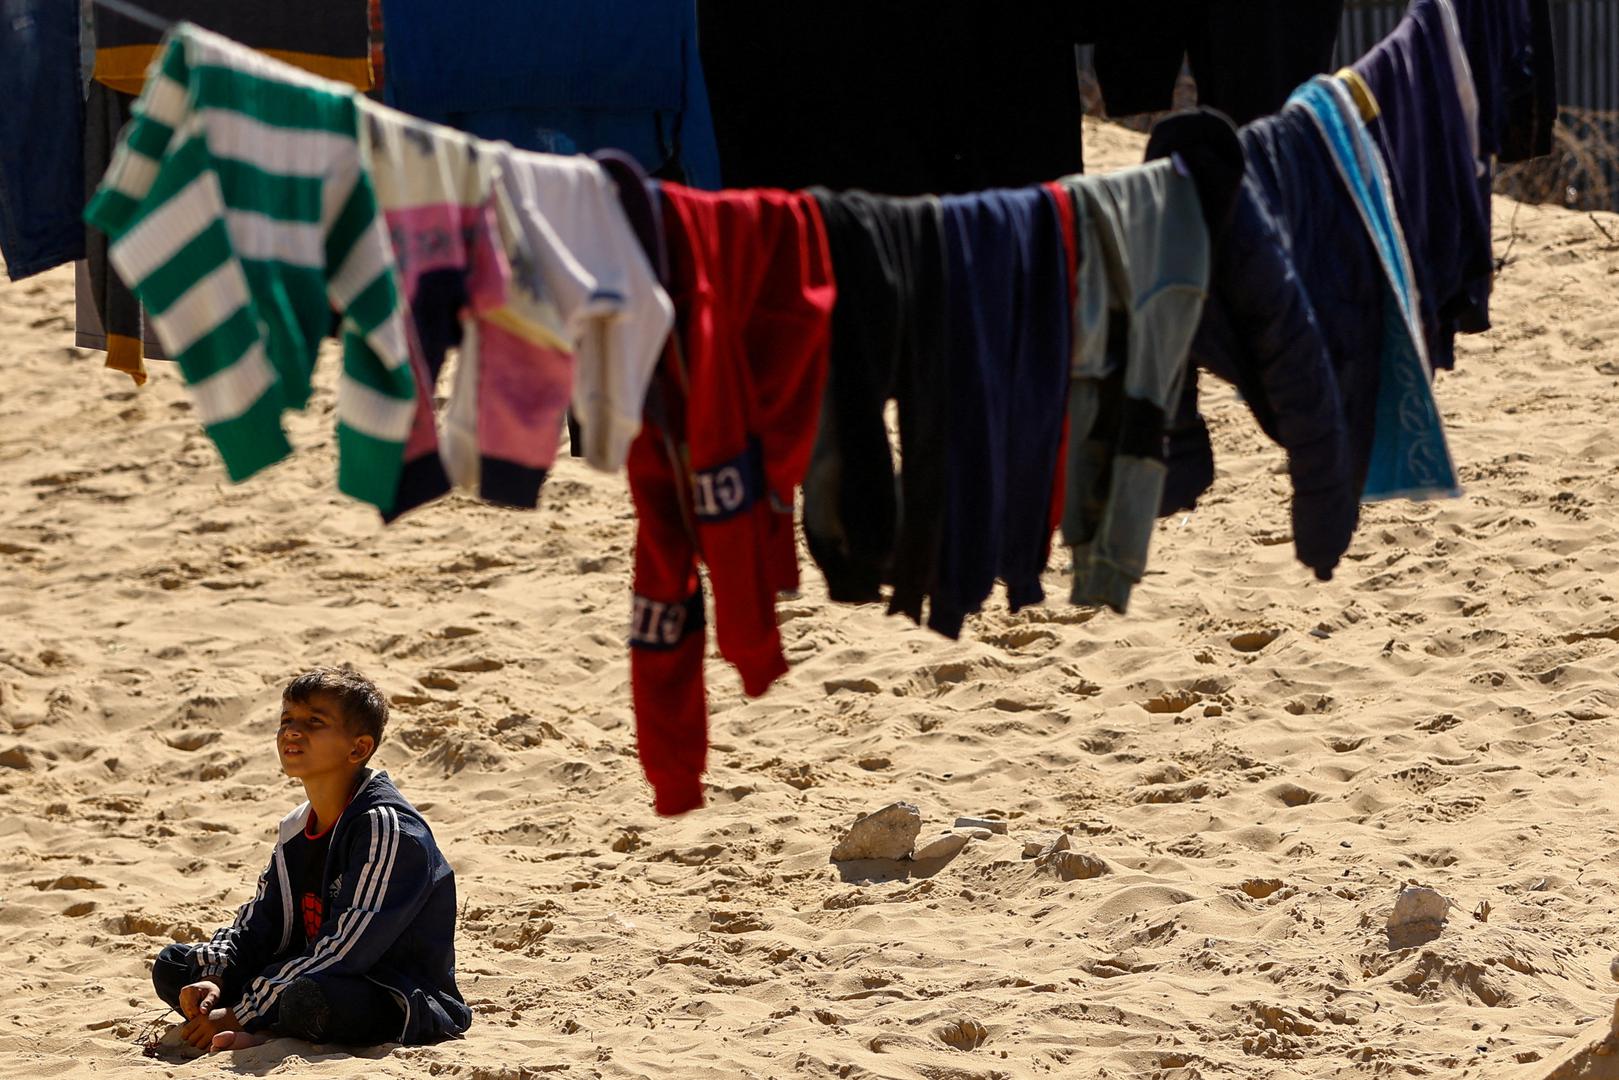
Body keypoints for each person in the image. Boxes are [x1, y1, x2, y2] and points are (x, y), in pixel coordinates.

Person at [152, 668, 472, 1052]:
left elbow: (344, 950)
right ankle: (258, 1024)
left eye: (314, 722)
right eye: (287, 720)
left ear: (358, 748)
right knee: (176, 965)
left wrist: (243, 1012)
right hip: (306, 969)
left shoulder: (387, 829)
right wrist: (215, 980)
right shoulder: (297, 825)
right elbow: (257, 923)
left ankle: (262, 1032)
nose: (292, 731)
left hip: (381, 988)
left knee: (309, 999)